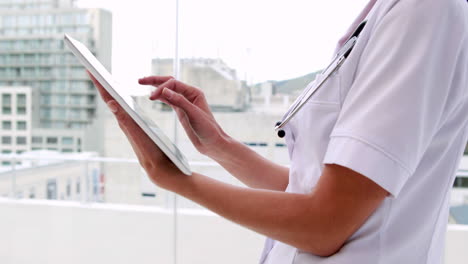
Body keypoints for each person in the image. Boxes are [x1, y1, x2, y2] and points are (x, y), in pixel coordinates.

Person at [89, 0, 468, 262]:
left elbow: (326, 223)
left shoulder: (423, 12)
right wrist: (219, 145)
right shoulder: (393, 13)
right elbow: (316, 189)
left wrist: (176, 179)